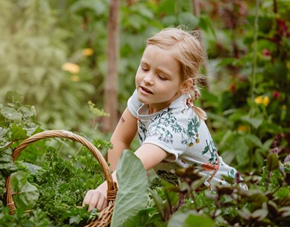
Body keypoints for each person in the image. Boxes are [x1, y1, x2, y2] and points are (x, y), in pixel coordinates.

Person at [83, 27, 244, 212]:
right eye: (144, 68)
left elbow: (135, 165)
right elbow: (120, 140)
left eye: (161, 76)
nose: (148, 79)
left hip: (223, 201)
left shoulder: (176, 124)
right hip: (189, 199)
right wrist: (111, 186)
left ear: (183, 86)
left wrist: (106, 189)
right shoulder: (145, 95)